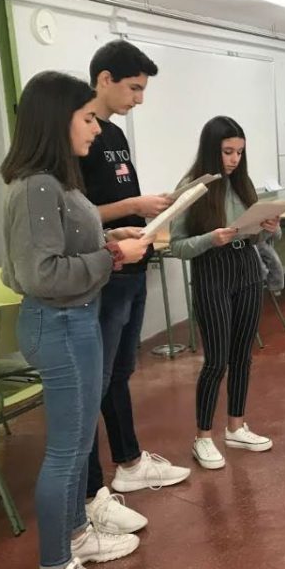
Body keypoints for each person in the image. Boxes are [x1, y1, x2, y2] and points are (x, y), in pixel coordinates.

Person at [2, 71, 148, 569]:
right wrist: (112, 257)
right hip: (60, 324)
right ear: (55, 121)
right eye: (87, 118)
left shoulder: (55, 183)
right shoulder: (38, 186)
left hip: (76, 319)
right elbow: (40, 273)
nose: (95, 127)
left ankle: (77, 535)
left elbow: (62, 248)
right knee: (67, 452)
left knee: (78, 441)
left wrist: (110, 238)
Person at [79, 41, 190, 539]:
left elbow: (115, 201)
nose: (139, 99)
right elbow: (78, 214)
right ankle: (91, 494)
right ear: (104, 79)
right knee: (95, 381)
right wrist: (133, 206)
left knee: (120, 372)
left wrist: (148, 210)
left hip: (134, 263)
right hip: (105, 271)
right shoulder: (75, 138)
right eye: (134, 88)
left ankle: (128, 462)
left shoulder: (116, 134)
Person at [170, 117, 279, 470]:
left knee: (242, 356)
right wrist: (210, 238)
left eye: (239, 152)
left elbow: (256, 236)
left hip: (246, 269)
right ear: (210, 150)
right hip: (212, 273)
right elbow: (177, 246)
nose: (234, 159)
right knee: (216, 360)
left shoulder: (242, 183)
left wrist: (267, 227)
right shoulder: (192, 187)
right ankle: (203, 437)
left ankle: (236, 426)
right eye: (227, 151)